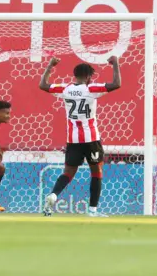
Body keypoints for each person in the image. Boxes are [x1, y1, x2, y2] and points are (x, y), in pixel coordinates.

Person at [39, 56, 121, 217]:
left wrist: (50, 65)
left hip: (73, 140)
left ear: (74, 75)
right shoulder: (91, 89)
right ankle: (92, 210)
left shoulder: (65, 89)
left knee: (68, 172)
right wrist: (115, 63)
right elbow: (116, 84)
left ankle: (53, 195)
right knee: (96, 172)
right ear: (89, 76)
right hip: (91, 139)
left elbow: (43, 85)